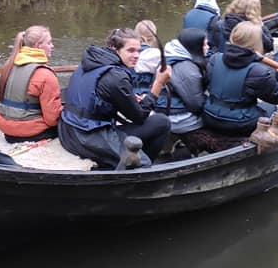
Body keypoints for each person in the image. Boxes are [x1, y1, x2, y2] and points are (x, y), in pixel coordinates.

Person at [59, 28, 172, 169]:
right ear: (114, 48)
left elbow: (97, 97)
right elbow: (139, 117)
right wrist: (158, 84)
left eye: (139, 50)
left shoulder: (90, 61)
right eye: (131, 51)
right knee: (144, 162)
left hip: (67, 130)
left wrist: (127, 98)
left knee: (161, 122)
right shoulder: (116, 77)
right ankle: (140, 169)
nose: (137, 55)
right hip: (86, 137)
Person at [202, 21, 278, 137]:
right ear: (258, 43)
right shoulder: (259, 71)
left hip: (208, 115)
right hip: (239, 124)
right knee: (271, 107)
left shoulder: (214, 59)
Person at [0, 25, 63, 143]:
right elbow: (52, 119)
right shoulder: (45, 75)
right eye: (49, 43)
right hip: (29, 132)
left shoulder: (10, 65)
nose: (52, 46)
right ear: (38, 46)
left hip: (5, 128)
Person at [153, 28, 212, 155]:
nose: (208, 47)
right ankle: (201, 151)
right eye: (204, 44)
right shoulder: (187, 69)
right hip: (179, 119)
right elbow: (196, 105)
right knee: (218, 115)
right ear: (194, 46)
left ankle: (168, 145)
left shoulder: (170, 54)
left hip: (162, 112)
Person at [132, 19, 162, 97]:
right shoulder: (157, 54)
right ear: (154, 38)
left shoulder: (128, 52)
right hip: (147, 95)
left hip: (130, 94)